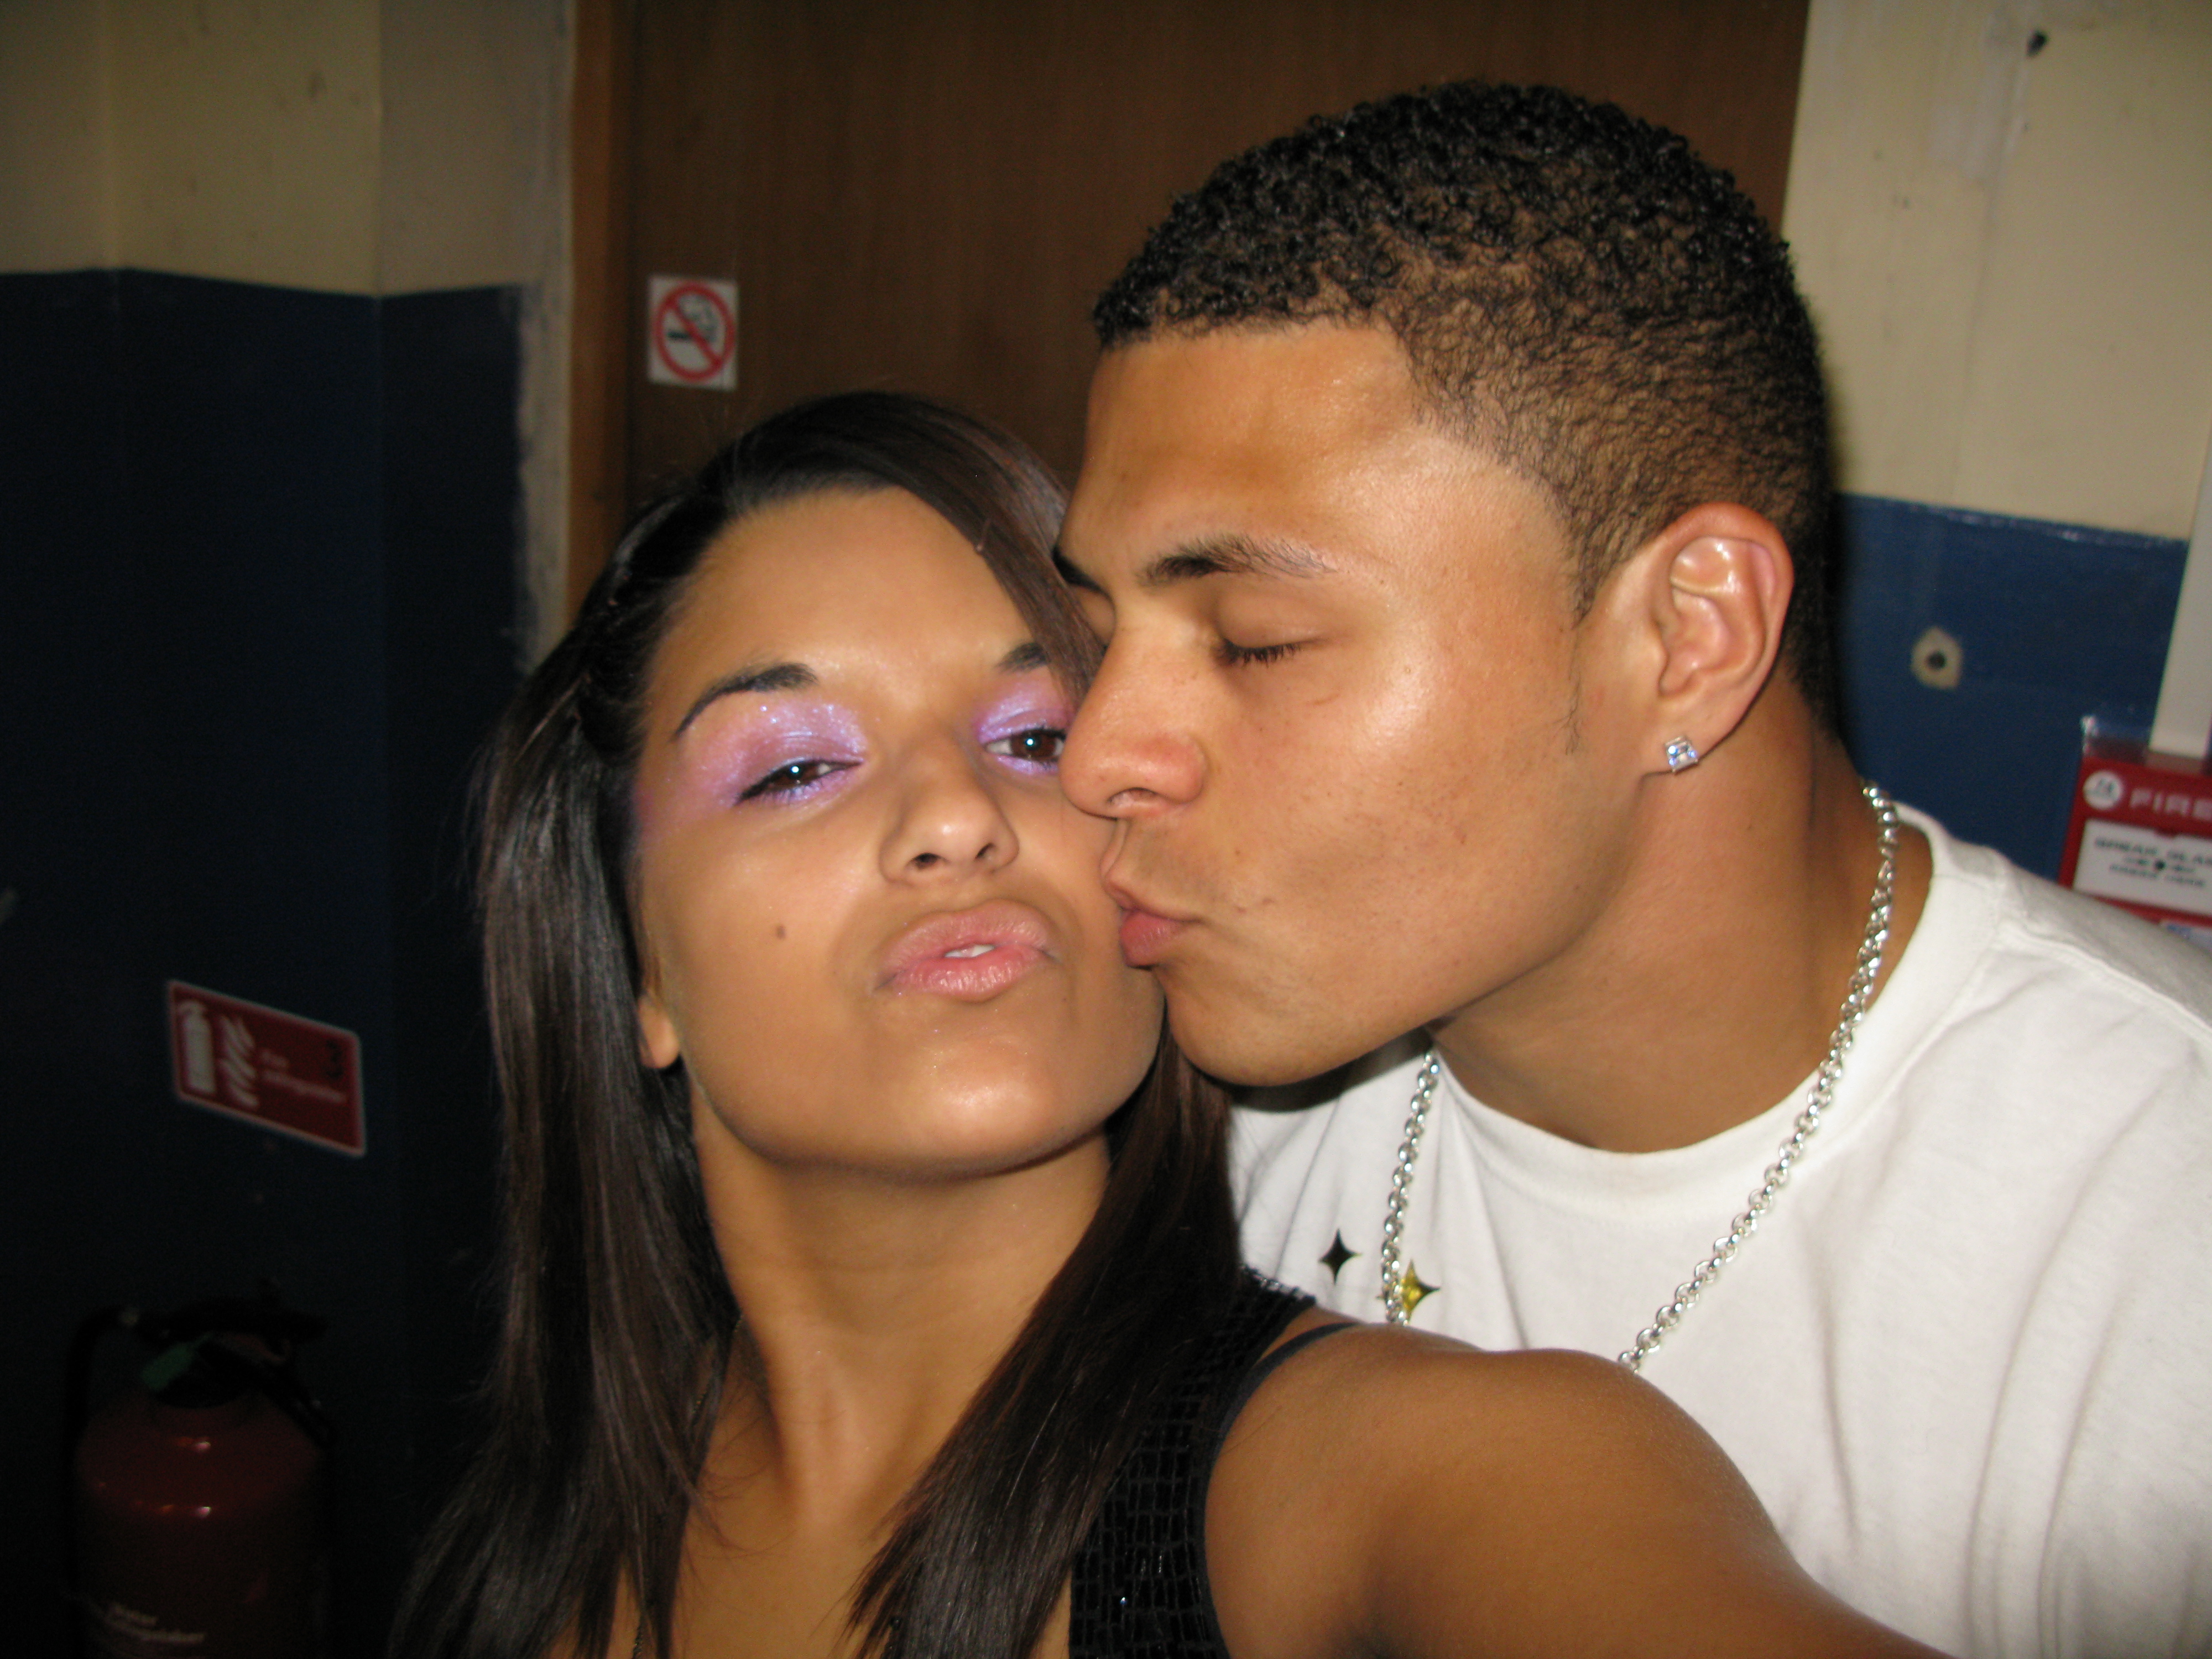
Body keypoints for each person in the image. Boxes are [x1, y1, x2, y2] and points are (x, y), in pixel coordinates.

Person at [390, 391, 1944, 1659]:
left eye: (1034, 738)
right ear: (637, 963)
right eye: (796, 766)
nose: (954, 817)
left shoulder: (1394, 1481)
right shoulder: (553, 1507)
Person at [1052, 80, 2212, 1659]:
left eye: (1254, 639)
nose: (1098, 757)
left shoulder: (2156, 1254)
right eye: (1101, 634)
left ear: (1689, 633)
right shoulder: (1158, 1091)